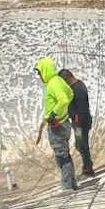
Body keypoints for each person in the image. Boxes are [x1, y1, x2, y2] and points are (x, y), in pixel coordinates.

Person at [34, 57, 76, 192]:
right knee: (65, 154)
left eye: (40, 72)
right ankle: (72, 183)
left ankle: (67, 187)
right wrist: (62, 111)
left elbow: (63, 99)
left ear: (45, 70)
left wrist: (54, 114)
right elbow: (70, 94)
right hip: (64, 122)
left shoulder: (53, 83)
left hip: (57, 126)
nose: (40, 76)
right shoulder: (58, 80)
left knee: (62, 157)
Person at [59, 68, 95, 178]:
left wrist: (77, 121)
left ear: (67, 78)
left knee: (82, 145)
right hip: (78, 121)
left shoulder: (78, 88)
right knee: (81, 145)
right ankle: (87, 167)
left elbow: (82, 108)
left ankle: (88, 170)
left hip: (80, 122)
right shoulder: (76, 86)